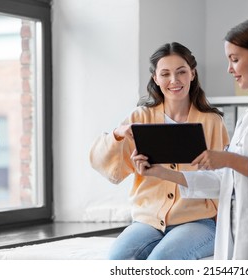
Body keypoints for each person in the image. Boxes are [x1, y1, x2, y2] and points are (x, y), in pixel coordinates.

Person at [132, 19, 248, 260]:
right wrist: (162, 172)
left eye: (235, 59)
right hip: (247, 231)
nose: (229, 68)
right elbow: (227, 182)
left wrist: (229, 159)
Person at [89, 42, 230, 260]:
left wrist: (225, 228)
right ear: (155, 78)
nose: (174, 80)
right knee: (116, 260)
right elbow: (102, 163)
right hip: (148, 220)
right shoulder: (141, 117)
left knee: (160, 261)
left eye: (181, 72)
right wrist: (117, 133)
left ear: (192, 74)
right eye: (165, 74)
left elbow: (223, 178)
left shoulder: (211, 122)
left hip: (197, 221)